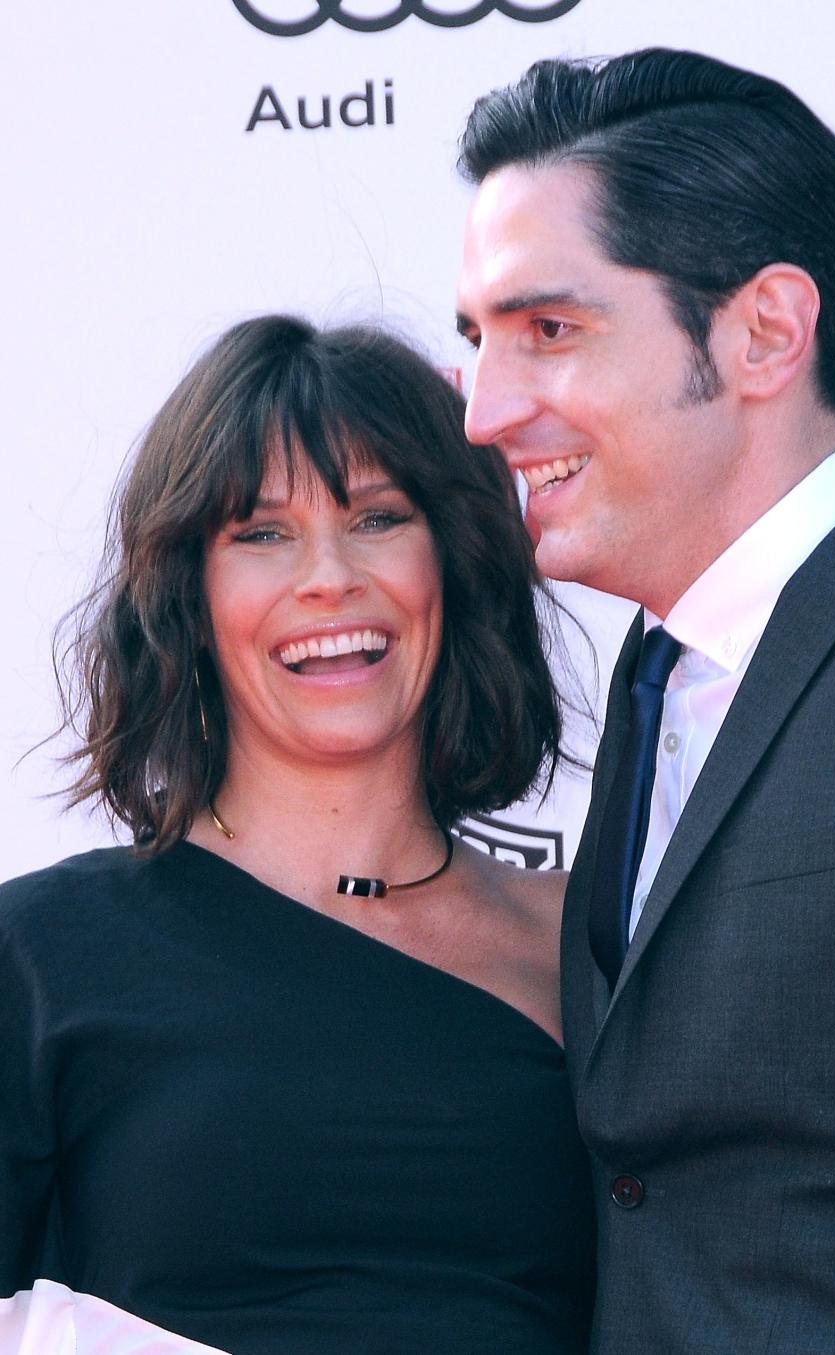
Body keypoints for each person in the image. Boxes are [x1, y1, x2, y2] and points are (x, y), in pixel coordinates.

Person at [455, 47, 835, 1355]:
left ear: (763, 333)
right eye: (477, 341)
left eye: (548, 330)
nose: (484, 410)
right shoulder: (659, 674)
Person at [0, 316, 596, 1354]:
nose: (327, 576)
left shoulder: (594, 945)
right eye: (262, 533)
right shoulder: (38, 955)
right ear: (189, 598)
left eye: (376, 517)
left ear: (454, 564)